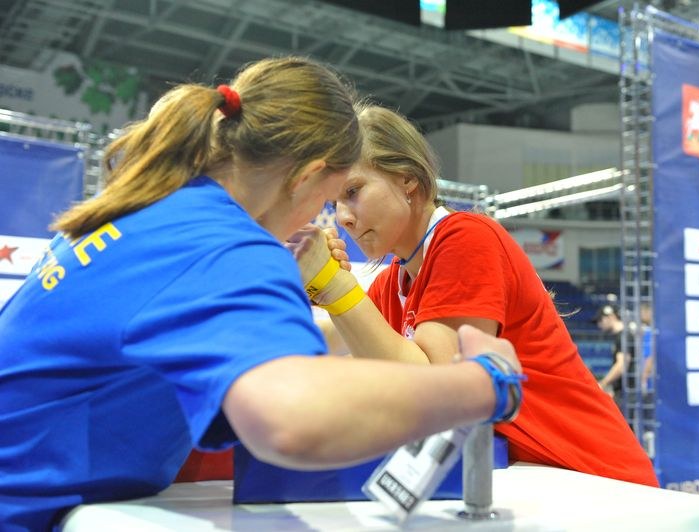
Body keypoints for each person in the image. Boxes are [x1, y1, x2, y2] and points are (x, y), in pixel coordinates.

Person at [0, 57, 524, 531]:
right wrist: (481, 385)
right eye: (327, 198)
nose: (327, 219)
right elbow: (294, 420)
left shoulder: (149, 211)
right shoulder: (226, 246)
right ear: (309, 176)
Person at [293, 103, 658, 487]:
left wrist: (337, 289)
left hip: (599, 481)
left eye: (353, 191)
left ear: (407, 178)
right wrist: (305, 286)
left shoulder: (466, 237)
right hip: (537, 482)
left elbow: (436, 386)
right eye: (335, 203)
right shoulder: (393, 283)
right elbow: (320, 346)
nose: (344, 218)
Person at [593, 303, 627, 400]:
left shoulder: (623, 336)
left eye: (600, 320)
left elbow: (621, 365)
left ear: (611, 317)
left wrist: (603, 384)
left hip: (626, 394)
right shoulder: (622, 336)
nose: (599, 325)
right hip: (624, 392)